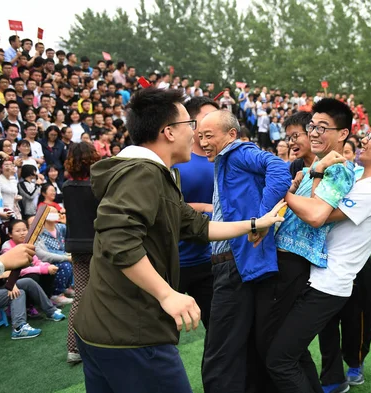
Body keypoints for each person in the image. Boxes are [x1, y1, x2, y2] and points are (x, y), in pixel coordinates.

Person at [73, 88, 285, 393]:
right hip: (131, 331)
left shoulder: (157, 174)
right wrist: (167, 294)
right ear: (169, 132)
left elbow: (197, 226)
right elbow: (119, 240)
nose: (196, 136)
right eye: (191, 126)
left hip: (103, 328)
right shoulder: (142, 173)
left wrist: (255, 223)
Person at [266, 118, 371, 393]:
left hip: (327, 285)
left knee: (280, 359)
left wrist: (288, 187)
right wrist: (307, 179)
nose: (364, 139)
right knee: (292, 353)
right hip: (315, 276)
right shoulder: (358, 179)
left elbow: (316, 214)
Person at [199, 109, 291, 393]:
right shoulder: (224, 161)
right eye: (200, 135)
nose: (202, 141)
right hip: (234, 264)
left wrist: (261, 221)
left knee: (220, 353)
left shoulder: (237, 152)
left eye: (208, 135)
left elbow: (278, 168)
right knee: (247, 345)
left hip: (234, 265)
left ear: (231, 135)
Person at [172, 97, 219, 349]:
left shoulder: (222, 159)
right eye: (208, 117)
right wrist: (203, 208)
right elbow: (165, 206)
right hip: (174, 262)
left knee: (220, 332)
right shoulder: (176, 160)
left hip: (210, 259)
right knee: (165, 338)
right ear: (192, 122)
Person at [0, 227, 66, 340]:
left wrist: (10, 282)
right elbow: (4, 275)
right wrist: (1, 276)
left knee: (28, 282)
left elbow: (10, 274)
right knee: (18, 293)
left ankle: (51, 311)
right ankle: (18, 328)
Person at [63, 141, 101, 364]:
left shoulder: (66, 186)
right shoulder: (97, 185)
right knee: (108, 292)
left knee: (80, 297)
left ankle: (73, 348)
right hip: (99, 245)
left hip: (77, 246)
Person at [286, 111, 316, 178]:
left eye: (295, 136)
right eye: (289, 138)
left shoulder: (329, 163)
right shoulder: (295, 166)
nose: (290, 143)